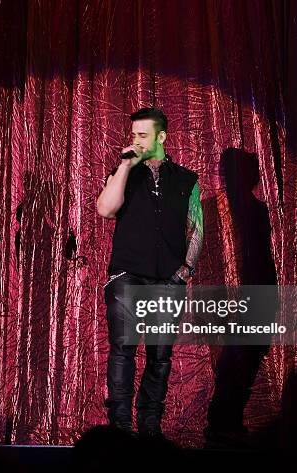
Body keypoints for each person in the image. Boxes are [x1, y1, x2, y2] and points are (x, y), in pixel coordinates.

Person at [96, 107, 203, 438]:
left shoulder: (187, 179)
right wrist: (126, 165)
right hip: (128, 274)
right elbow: (105, 209)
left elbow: (196, 226)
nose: (136, 141)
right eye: (133, 135)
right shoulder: (125, 172)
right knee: (123, 348)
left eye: (143, 135)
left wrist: (185, 270)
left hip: (168, 278)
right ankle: (120, 425)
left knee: (160, 354)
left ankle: (149, 423)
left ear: (161, 137)